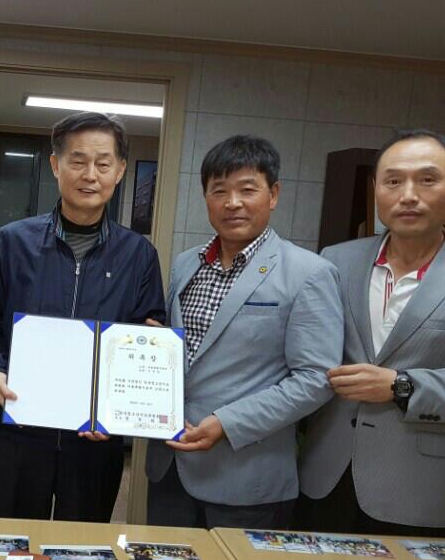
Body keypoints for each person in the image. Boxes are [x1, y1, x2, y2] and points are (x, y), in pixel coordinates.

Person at [0, 112, 165, 523]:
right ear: (56, 165)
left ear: (120, 171)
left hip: (95, 444)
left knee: (83, 548)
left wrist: (123, 403)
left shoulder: (139, 256)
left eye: (103, 163)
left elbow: (147, 333)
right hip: (20, 434)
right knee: (19, 543)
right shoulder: (12, 242)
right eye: (78, 161)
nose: (90, 175)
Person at [298, 129, 445, 537]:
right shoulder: (336, 261)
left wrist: (401, 385)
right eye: (393, 181)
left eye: (427, 179)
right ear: (376, 188)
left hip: (423, 490)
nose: (408, 195)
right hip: (325, 477)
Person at [145, 135, 343, 530]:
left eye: (247, 189)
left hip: (246, 474)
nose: (232, 202)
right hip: (169, 467)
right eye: (219, 190)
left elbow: (315, 379)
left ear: (274, 194)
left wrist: (228, 423)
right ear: (206, 197)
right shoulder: (186, 264)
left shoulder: (309, 272)